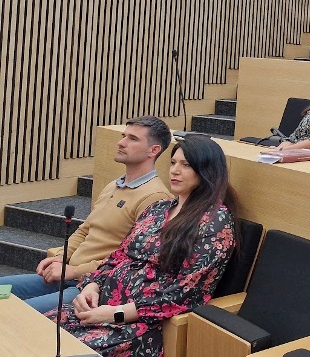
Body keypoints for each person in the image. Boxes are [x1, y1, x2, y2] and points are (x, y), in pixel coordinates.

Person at [51, 135, 237, 356]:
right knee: (37, 333)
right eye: (173, 163)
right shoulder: (158, 208)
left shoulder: (216, 221)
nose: (175, 170)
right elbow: (119, 256)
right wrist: (92, 286)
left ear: (206, 171)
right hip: (100, 307)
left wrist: (115, 313)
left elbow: (185, 293)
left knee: (60, 351)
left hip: (137, 326)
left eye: (186, 165)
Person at [0, 116, 171, 313]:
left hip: (95, 286)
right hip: (68, 275)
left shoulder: (155, 197)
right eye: (124, 136)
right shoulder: (115, 185)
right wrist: (61, 257)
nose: (121, 142)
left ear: (153, 150)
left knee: (16, 315)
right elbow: (85, 229)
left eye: (132, 139)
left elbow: (132, 260)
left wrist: (74, 270)